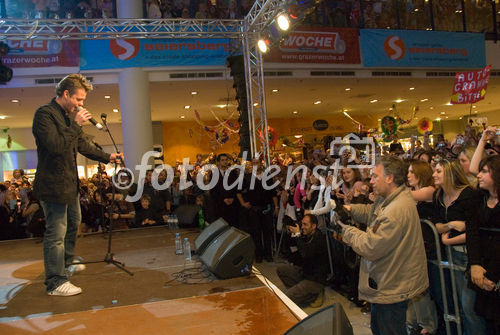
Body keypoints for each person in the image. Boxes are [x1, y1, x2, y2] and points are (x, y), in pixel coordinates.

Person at [32, 74, 123, 297]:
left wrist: (107, 157)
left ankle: (66, 263)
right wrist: (75, 125)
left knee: (74, 222)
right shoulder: (45, 115)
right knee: (56, 232)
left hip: (69, 184)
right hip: (53, 185)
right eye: (79, 100)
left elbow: (82, 145)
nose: (81, 104)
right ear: (65, 94)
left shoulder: (66, 117)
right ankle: (55, 282)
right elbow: (55, 146)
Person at [338, 156, 428, 335]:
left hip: (393, 283)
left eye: (375, 176)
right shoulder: (389, 198)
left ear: (390, 178)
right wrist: (351, 210)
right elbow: (373, 214)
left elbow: (371, 246)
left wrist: (347, 231)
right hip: (388, 279)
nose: (371, 181)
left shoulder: (396, 209)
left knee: (388, 329)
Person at [466, 155, 500, 334]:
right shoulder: (477, 198)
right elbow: (472, 233)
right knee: (484, 318)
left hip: (495, 268)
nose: (478, 175)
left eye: (485, 172)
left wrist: (492, 276)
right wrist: (475, 265)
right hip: (481, 266)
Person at [276, 214, 329, 307]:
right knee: (281, 269)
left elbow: (306, 253)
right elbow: (295, 257)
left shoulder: (319, 238)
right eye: (302, 224)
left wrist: (298, 236)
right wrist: (291, 235)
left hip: (315, 280)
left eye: (305, 225)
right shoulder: (306, 235)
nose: (302, 227)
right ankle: (301, 293)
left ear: (313, 226)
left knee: (286, 297)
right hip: (305, 273)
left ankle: (314, 294)